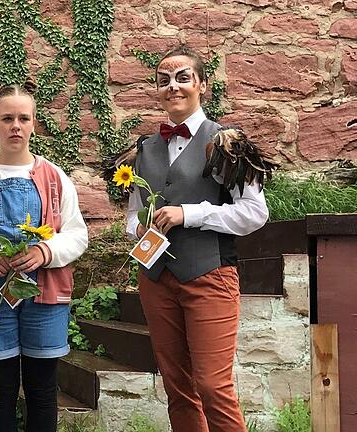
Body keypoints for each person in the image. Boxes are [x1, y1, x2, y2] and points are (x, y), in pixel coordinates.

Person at [125, 46, 269, 432]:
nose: (173, 86)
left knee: (211, 385)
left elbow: (256, 213)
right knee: (178, 387)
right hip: (156, 279)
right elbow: (132, 214)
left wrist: (190, 213)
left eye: (183, 77)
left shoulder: (226, 142)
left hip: (209, 275)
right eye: (163, 80)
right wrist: (139, 228)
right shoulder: (143, 148)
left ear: (202, 85)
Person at [0, 81, 88, 432]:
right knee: (0, 387)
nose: (16, 125)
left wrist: (46, 250)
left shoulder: (56, 179)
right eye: (8, 118)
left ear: (34, 123)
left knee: (42, 387)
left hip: (45, 296)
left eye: (23, 118)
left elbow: (77, 235)